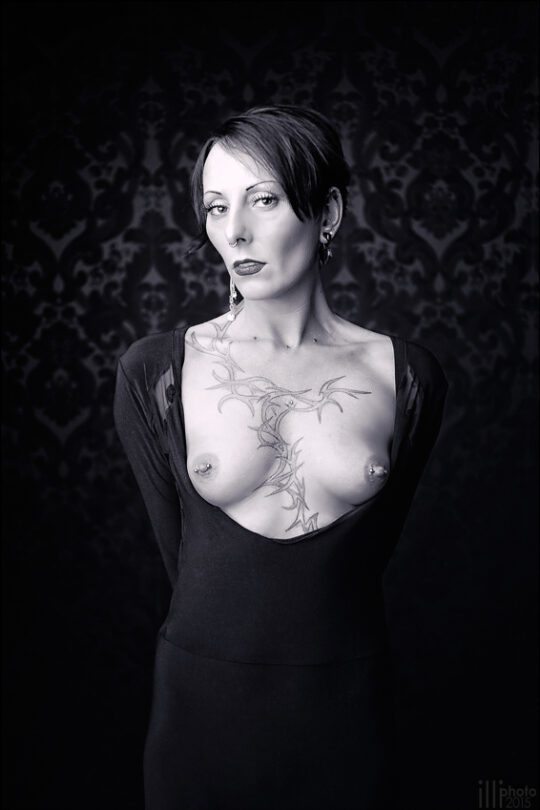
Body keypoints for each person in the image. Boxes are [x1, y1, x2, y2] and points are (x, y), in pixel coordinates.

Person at [113, 105, 448, 810]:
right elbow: (185, 560)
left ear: (328, 213)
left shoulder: (406, 376)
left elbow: (364, 560)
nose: (235, 231)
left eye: (263, 200)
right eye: (216, 207)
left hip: (346, 713)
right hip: (199, 715)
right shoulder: (156, 371)